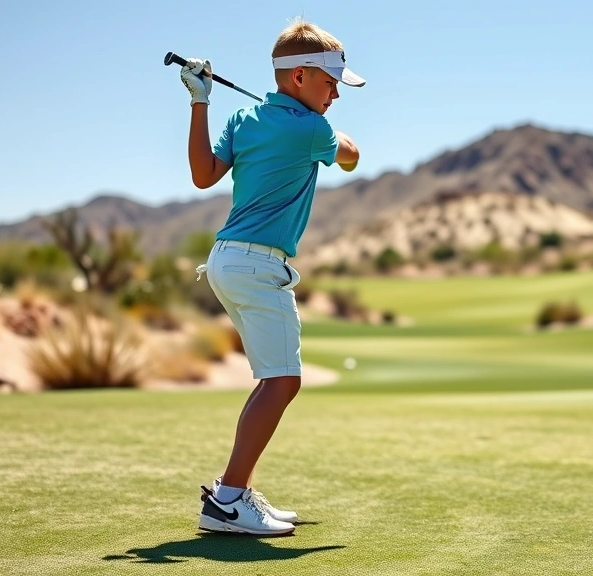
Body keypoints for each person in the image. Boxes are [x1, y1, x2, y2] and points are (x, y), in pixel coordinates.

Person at [179, 17, 365, 536]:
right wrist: (336, 134)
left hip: (224, 261)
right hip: (259, 265)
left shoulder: (243, 116)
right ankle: (228, 498)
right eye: (331, 84)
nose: (335, 94)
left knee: (274, 380)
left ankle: (234, 494)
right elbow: (350, 158)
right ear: (300, 76)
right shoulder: (312, 129)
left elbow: (202, 175)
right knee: (283, 381)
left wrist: (200, 101)